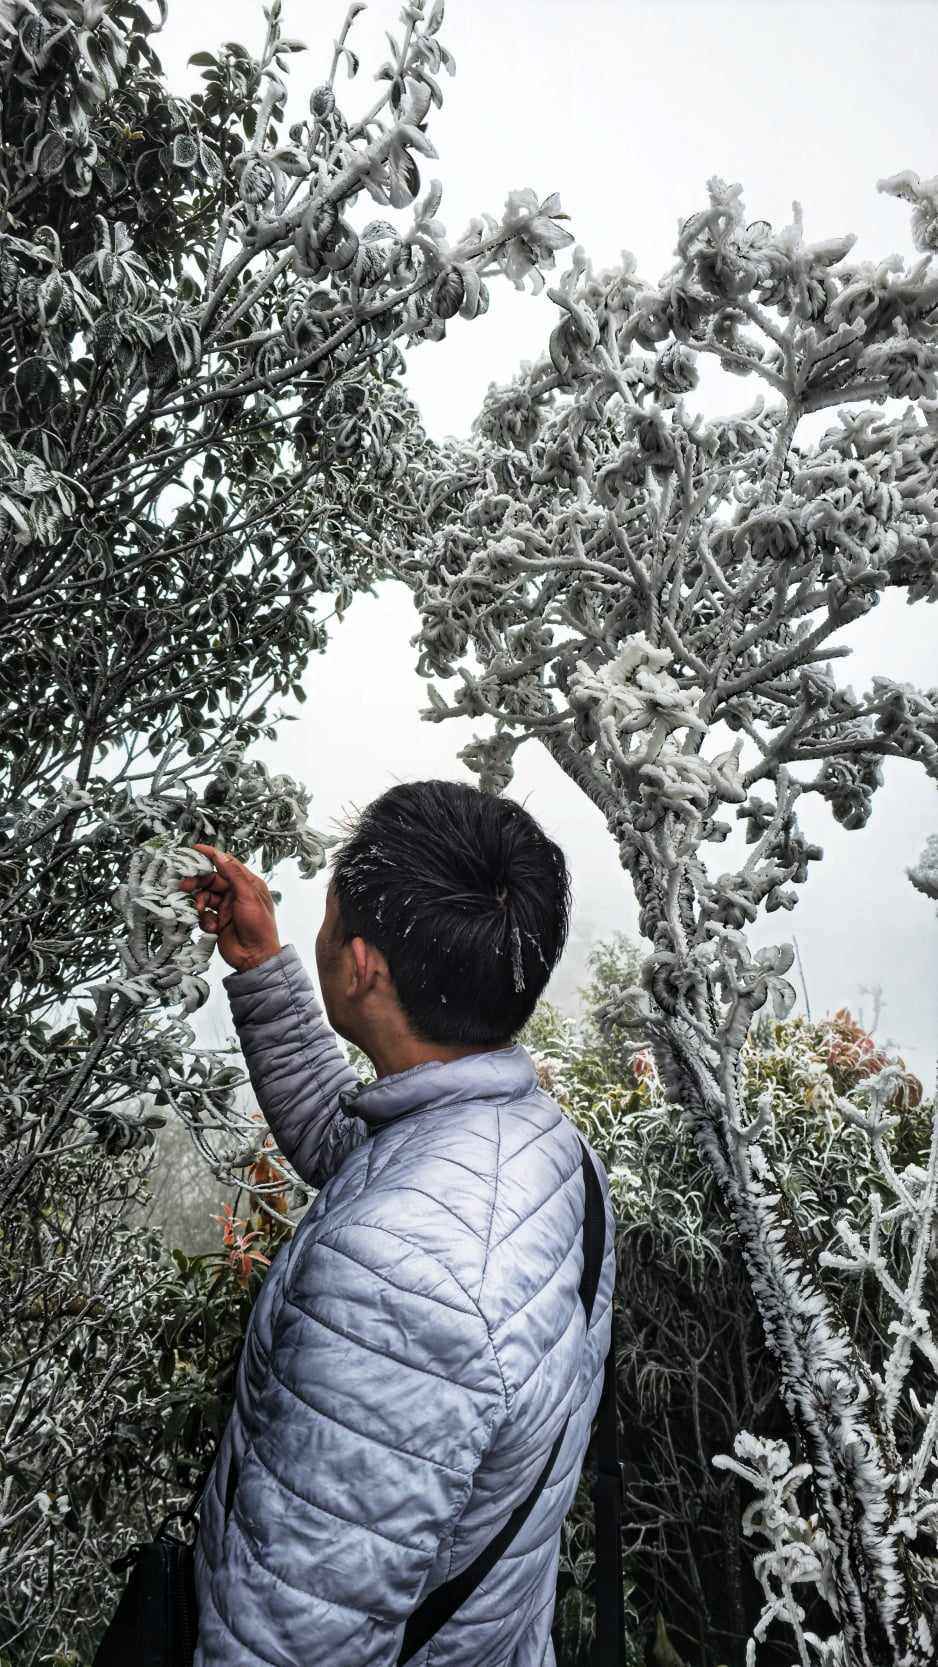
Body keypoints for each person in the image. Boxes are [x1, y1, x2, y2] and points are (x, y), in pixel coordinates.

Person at [179, 778, 615, 1667]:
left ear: (363, 965)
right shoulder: (539, 1144)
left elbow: (292, 1641)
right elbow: (362, 1153)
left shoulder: (400, 1290)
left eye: (328, 912)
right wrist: (261, 965)